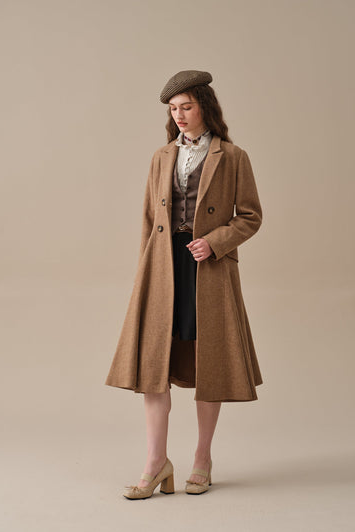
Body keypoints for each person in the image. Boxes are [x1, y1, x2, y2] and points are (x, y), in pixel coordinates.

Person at [105, 70, 263, 499]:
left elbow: (251, 216)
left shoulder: (233, 156)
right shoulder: (161, 156)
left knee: (207, 362)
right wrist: (145, 271)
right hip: (163, 267)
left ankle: (202, 460)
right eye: (174, 109)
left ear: (205, 108)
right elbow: (148, 218)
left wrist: (215, 243)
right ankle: (156, 463)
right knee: (154, 365)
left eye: (186, 107)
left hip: (207, 267)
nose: (179, 115)